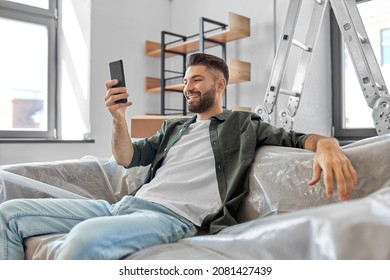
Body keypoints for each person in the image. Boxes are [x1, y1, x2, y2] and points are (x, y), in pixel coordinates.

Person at [0, 53, 358, 260]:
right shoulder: (175, 128)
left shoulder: (242, 124)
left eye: (198, 80)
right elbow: (127, 158)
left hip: (171, 219)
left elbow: (296, 138)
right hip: (123, 206)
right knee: (8, 214)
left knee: (82, 240)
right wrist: (118, 119)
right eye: (187, 81)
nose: (188, 87)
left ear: (220, 85)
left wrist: (327, 144)